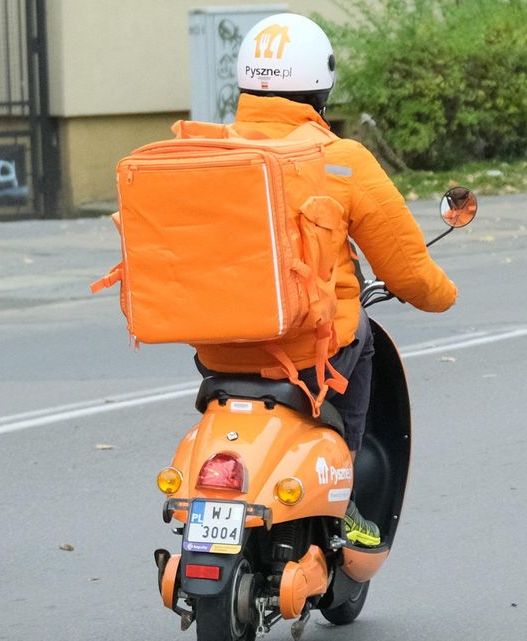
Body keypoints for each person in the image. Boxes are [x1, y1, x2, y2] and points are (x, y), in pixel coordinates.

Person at [193, 13, 457, 547]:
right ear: (321, 83)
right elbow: (408, 271)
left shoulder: (207, 154)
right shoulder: (341, 161)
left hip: (218, 350)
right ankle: (346, 491)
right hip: (311, 352)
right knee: (359, 333)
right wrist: (443, 294)